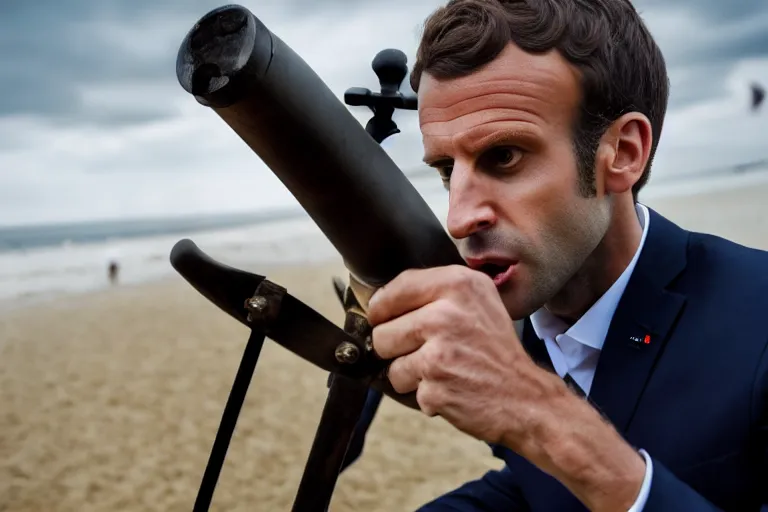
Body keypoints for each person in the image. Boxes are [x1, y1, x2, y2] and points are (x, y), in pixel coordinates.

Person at [343, 0, 768, 510]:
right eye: (447, 170)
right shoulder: (520, 329)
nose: (458, 218)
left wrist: (536, 411)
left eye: (504, 156)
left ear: (624, 153)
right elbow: (537, 491)